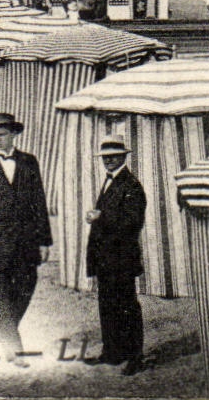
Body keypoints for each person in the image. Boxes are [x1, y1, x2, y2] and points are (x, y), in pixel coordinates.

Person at [0, 112, 52, 367]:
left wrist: (45, 241)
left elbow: (39, 201)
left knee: (27, 285)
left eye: (2, 135)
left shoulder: (29, 162)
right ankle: (14, 346)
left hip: (27, 241)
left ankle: (5, 332)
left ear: (13, 135)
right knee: (1, 292)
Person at [84, 137, 146, 375]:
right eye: (105, 157)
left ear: (124, 157)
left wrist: (101, 217)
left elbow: (133, 223)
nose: (109, 161)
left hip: (121, 258)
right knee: (108, 305)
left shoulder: (131, 185)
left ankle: (135, 357)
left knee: (127, 306)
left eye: (113, 156)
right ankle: (112, 352)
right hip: (106, 258)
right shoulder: (111, 181)